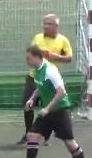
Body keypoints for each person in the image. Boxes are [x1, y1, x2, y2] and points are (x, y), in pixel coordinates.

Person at [9, 45, 92, 158]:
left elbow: (61, 92)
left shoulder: (50, 70)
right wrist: (31, 99)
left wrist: (47, 108)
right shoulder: (36, 71)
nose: (27, 61)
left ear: (36, 57)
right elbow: (39, 88)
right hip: (48, 112)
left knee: (70, 143)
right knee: (32, 136)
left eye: (28, 58)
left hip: (60, 110)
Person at [18, 14, 72, 144]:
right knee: (28, 104)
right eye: (44, 23)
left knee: (50, 105)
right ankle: (29, 132)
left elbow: (69, 58)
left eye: (48, 24)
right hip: (34, 77)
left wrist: (55, 57)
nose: (45, 26)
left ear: (56, 26)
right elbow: (32, 52)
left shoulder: (63, 40)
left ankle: (44, 134)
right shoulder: (37, 38)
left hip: (51, 80)